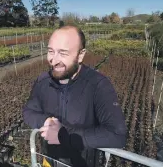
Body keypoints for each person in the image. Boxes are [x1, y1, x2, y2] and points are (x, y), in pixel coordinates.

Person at [22, 25, 127, 167]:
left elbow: (117, 134)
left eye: (63, 53)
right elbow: (28, 112)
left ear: (81, 55)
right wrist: (46, 121)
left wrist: (64, 135)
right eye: (51, 51)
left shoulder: (98, 85)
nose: (54, 60)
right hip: (49, 161)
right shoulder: (43, 81)